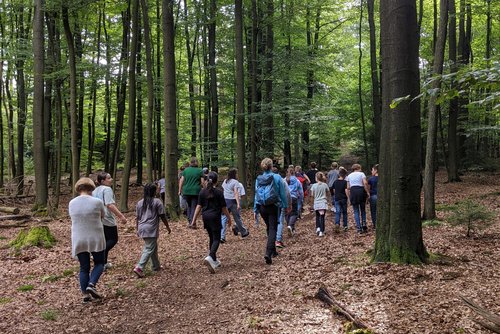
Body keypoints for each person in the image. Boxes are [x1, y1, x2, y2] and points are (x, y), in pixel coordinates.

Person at [69, 177, 106, 303]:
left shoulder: (72, 203)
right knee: (100, 262)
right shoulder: (97, 202)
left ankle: (85, 294)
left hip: (78, 237)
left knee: (84, 267)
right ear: (91, 188)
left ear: (78, 188)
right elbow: (103, 215)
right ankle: (92, 284)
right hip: (95, 236)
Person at [192, 172, 232, 273]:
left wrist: (194, 220)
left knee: (211, 237)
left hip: (205, 217)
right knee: (216, 239)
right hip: (215, 217)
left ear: (206, 180)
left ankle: (214, 260)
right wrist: (229, 218)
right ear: (216, 181)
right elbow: (224, 208)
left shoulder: (202, 192)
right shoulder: (218, 192)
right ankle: (210, 257)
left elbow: (198, 207)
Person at [254, 158, 288, 265]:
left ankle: (273, 251)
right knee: (273, 228)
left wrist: (256, 209)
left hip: (262, 207)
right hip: (273, 206)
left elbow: (256, 194)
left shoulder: (258, 179)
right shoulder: (277, 177)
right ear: (271, 166)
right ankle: (268, 253)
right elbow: (282, 193)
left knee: (269, 227)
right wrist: (285, 205)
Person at [133, 183, 171, 278]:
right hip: (151, 228)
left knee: (152, 246)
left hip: (142, 227)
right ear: (154, 191)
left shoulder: (140, 202)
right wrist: (167, 226)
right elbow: (162, 215)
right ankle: (139, 267)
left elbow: (137, 218)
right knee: (149, 248)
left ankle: (156, 266)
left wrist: (137, 228)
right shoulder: (157, 202)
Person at [93, 172, 127, 269]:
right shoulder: (107, 189)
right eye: (109, 178)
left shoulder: (95, 190)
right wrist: (121, 216)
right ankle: (98, 254)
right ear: (103, 181)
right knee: (113, 239)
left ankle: (103, 263)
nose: (111, 179)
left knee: (105, 240)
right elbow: (110, 205)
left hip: (97, 218)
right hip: (107, 218)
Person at [220, 168, 249, 243]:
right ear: (234, 174)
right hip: (233, 202)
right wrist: (238, 203)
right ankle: (243, 232)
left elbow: (223, 190)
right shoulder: (235, 182)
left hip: (225, 201)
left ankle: (221, 236)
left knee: (223, 218)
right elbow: (236, 193)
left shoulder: (225, 181)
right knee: (237, 218)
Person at [178, 157, 204, 228]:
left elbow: (181, 181)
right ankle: (192, 222)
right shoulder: (200, 171)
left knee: (189, 206)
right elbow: (202, 182)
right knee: (194, 206)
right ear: (196, 162)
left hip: (186, 191)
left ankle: (190, 221)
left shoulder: (186, 170)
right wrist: (204, 188)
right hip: (195, 191)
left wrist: (179, 190)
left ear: (190, 163)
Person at [346, 164, 370, 234]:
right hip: (361, 191)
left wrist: (349, 197)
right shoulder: (362, 174)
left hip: (353, 191)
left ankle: (358, 228)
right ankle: (364, 224)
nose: (361, 169)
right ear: (358, 168)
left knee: (356, 210)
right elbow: (365, 183)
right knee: (363, 209)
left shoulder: (349, 176)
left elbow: (348, 187)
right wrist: (367, 192)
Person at [309, 172, 330, 237]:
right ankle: (321, 231)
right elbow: (328, 193)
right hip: (323, 202)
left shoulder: (314, 186)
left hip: (316, 203)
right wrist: (328, 200)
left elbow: (312, 195)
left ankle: (318, 228)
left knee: (317, 216)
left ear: (316, 178)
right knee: (322, 217)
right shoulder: (325, 185)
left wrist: (311, 204)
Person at [284, 166, 304, 236]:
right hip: (294, 198)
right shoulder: (297, 180)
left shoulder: (284, 180)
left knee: (287, 213)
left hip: (285, 198)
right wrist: (301, 200)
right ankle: (290, 226)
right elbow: (301, 192)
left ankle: (291, 228)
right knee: (294, 213)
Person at [368, 164, 378, 230]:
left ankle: (375, 225)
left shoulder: (371, 179)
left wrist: (368, 196)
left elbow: (368, 188)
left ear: (376, 170)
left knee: (374, 211)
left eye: (372, 170)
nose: (372, 172)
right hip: (383, 197)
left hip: (374, 196)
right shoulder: (385, 178)